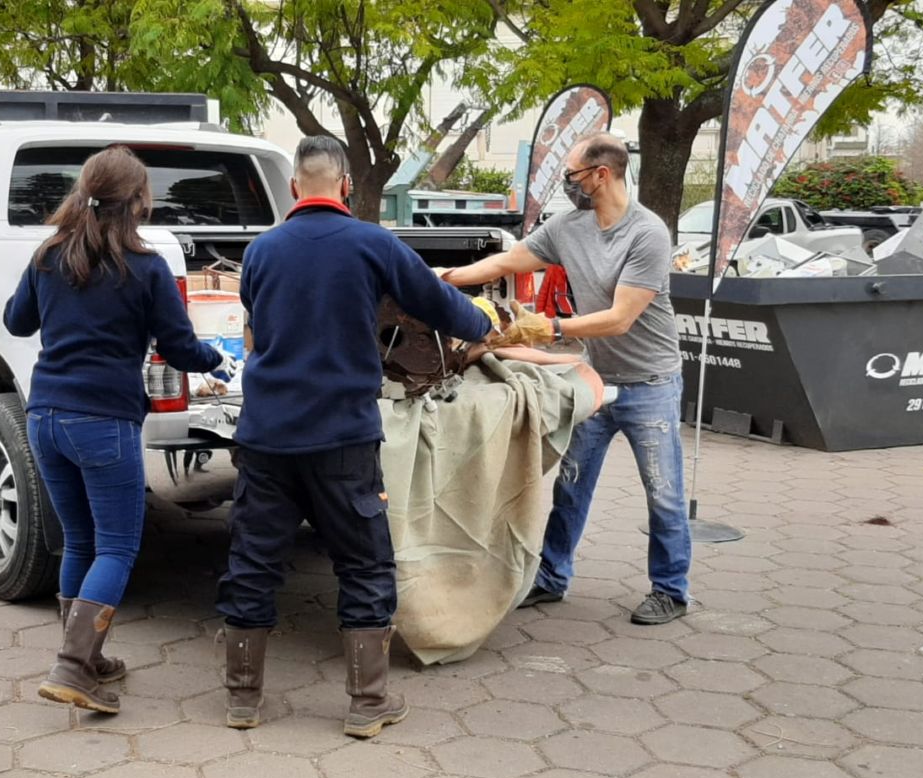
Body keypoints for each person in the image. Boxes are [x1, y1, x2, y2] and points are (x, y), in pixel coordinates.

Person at [216, 135, 493, 737]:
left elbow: (256, 324)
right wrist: (482, 324)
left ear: (295, 187)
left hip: (267, 437)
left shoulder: (262, 252)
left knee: (253, 561)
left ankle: (243, 699)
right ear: (345, 185)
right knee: (364, 563)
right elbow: (437, 302)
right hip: (343, 436)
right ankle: (367, 705)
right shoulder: (375, 243)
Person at [4, 146, 234, 713]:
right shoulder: (147, 266)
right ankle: (72, 668)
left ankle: (86, 656)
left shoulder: (49, 254)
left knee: (80, 540)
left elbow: (16, 321)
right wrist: (216, 359)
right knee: (116, 546)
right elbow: (179, 346)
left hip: (44, 417)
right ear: (139, 200)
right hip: (102, 422)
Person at [441, 133, 691, 625]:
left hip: (652, 383)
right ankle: (552, 578)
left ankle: (671, 590)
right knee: (572, 485)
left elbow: (620, 318)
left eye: (574, 175)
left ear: (602, 174)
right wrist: (449, 278)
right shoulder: (568, 226)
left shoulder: (647, 234)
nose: (568, 184)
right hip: (596, 378)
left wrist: (549, 327)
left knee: (663, 491)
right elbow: (511, 260)